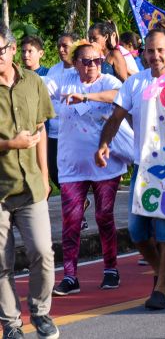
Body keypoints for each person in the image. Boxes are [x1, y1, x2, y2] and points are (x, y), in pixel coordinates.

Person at [96, 26, 165, 310]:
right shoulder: (135, 83)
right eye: (150, 51)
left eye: (160, 50)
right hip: (143, 168)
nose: (155, 56)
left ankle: (161, 287)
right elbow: (116, 118)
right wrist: (104, 143)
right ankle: (163, 268)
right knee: (137, 230)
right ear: (143, 53)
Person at [48, 41, 135, 296]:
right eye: (86, 61)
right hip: (71, 167)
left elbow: (117, 97)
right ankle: (70, 276)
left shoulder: (107, 81)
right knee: (71, 221)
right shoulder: (63, 80)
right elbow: (38, 90)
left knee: (104, 217)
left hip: (105, 166)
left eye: (97, 60)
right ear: (76, 63)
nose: (92, 66)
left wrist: (86, 96)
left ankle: (110, 269)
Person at [0, 24, 59, 339]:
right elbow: (22, 140)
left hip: (32, 187)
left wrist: (46, 176)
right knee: (1, 263)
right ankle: (10, 324)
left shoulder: (34, 82)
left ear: (11, 50)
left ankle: (40, 312)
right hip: (0, 191)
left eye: (1, 50)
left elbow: (40, 130)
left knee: (42, 253)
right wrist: (11, 144)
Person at [44, 32, 77, 189]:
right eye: (59, 46)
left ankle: (75, 205)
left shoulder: (81, 70)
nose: (61, 50)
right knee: (54, 171)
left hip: (74, 132)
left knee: (72, 172)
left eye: (66, 46)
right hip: (54, 131)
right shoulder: (53, 71)